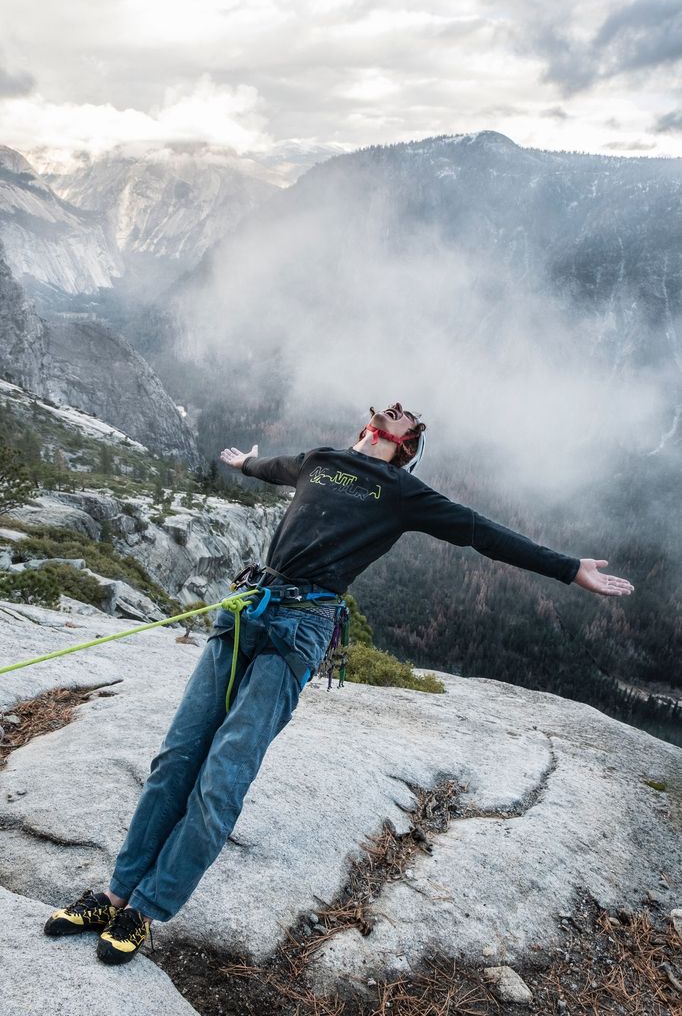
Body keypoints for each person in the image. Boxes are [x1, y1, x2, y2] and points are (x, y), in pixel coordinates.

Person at [43, 402, 634, 963]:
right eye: (391, 409)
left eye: (409, 419)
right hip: (247, 611)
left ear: (405, 446)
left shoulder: (403, 492)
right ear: (368, 426)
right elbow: (269, 469)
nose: (398, 410)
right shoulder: (320, 459)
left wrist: (568, 568)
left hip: (300, 627)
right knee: (176, 758)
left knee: (223, 775)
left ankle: (145, 910)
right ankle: (115, 897)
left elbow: (484, 533)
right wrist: (242, 463)